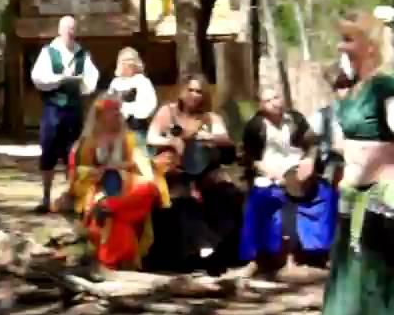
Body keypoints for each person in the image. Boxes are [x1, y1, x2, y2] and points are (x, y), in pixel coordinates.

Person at [308, 11, 394, 315]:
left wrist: (375, 176)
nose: (341, 47)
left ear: (371, 45)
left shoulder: (386, 87)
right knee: (351, 286)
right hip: (348, 196)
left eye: (349, 39)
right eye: (341, 39)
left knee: (377, 286)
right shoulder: (355, 88)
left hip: (381, 199)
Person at [144, 73, 241, 274]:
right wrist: (170, 141)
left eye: (199, 91)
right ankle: (203, 248)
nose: (195, 95)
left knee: (228, 194)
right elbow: (151, 137)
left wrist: (208, 136)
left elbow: (225, 139)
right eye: (191, 90)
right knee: (181, 201)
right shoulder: (168, 111)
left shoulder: (210, 117)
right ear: (182, 91)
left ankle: (223, 251)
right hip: (174, 171)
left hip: (203, 171)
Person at [240, 87, 337, 274]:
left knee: (326, 194)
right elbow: (251, 158)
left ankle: (318, 252)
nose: (275, 103)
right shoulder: (255, 126)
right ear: (260, 105)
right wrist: (272, 174)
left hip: (299, 171)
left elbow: (312, 144)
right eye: (268, 101)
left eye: (276, 97)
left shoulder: (295, 119)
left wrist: (309, 161)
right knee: (267, 198)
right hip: (270, 174)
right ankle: (266, 256)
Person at [68, 92, 166, 270]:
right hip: (98, 189)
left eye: (118, 110)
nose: (117, 114)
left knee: (150, 188)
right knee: (120, 223)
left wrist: (125, 167)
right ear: (99, 115)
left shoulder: (130, 139)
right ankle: (113, 259)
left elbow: (142, 165)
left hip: (125, 189)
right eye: (112, 110)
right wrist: (101, 171)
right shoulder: (88, 142)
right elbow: (77, 174)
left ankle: (109, 207)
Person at [31, 15, 99, 213]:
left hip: (74, 109)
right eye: (67, 29)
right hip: (53, 109)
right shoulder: (48, 52)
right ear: (60, 30)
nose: (70, 32)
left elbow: (92, 78)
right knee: (49, 153)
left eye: (73, 29)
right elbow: (37, 77)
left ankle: (72, 196)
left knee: (74, 154)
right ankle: (45, 196)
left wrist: (81, 85)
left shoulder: (82, 54)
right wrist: (59, 79)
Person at [108, 47, 157, 145]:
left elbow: (149, 104)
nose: (126, 66)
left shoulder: (142, 81)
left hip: (135, 129)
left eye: (129, 63)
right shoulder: (115, 83)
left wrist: (128, 110)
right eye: (123, 62)